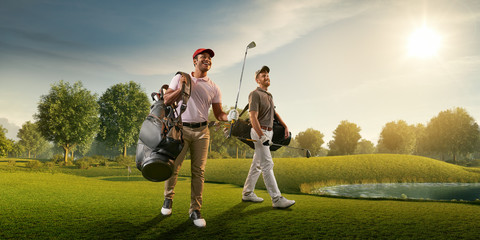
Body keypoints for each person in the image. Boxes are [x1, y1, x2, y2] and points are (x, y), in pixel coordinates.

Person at [161, 48, 238, 228]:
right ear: (194, 61)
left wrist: (229, 116)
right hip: (180, 129)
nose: (208, 60)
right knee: (173, 166)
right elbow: (166, 100)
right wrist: (183, 88)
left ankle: (195, 210)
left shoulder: (213, 86)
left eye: (210, 58)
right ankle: (167, 199)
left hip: (203, 132)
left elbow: (219, 114)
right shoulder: (181, 78)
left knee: (199, 172)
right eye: (203, 57)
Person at [241, 65, 295, 209]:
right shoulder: (255, 94)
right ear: (258, 80)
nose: (267, 77)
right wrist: (261, 135)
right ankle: (277, 199)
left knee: (257, 165)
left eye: (267, 75)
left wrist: (285, 126)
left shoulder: (269, 96)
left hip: (269, 132)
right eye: (263, 75)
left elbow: (275, 114)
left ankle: (247, 193)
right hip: (260, 132)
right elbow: (252, 116)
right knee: (267, 164)